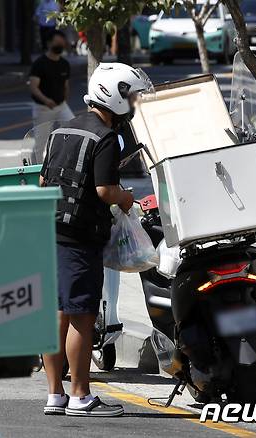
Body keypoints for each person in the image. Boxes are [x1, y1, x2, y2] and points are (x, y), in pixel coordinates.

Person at [39, 63, 151, 417]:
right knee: (82, 317)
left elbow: (45, 182)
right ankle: (81, 395)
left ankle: (55, 394)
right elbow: (104, 189)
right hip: (80, 237)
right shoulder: (105, 137)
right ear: (114, 96)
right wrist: (126, 198)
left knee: (58, 314)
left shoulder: (61, 129)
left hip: (52, 231)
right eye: (130, 96)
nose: (132, 104)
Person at [29, 29, 74, 131]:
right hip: (43, 108)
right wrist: (46, 100)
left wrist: (65, 100)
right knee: (41, 142)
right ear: (49, 43)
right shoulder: (39, 63)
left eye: (62, 43)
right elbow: (33, 87)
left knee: (74, 129)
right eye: (57, 43)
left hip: (61, 106)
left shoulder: (64, 64)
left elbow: (66, 85)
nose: (60, 46)